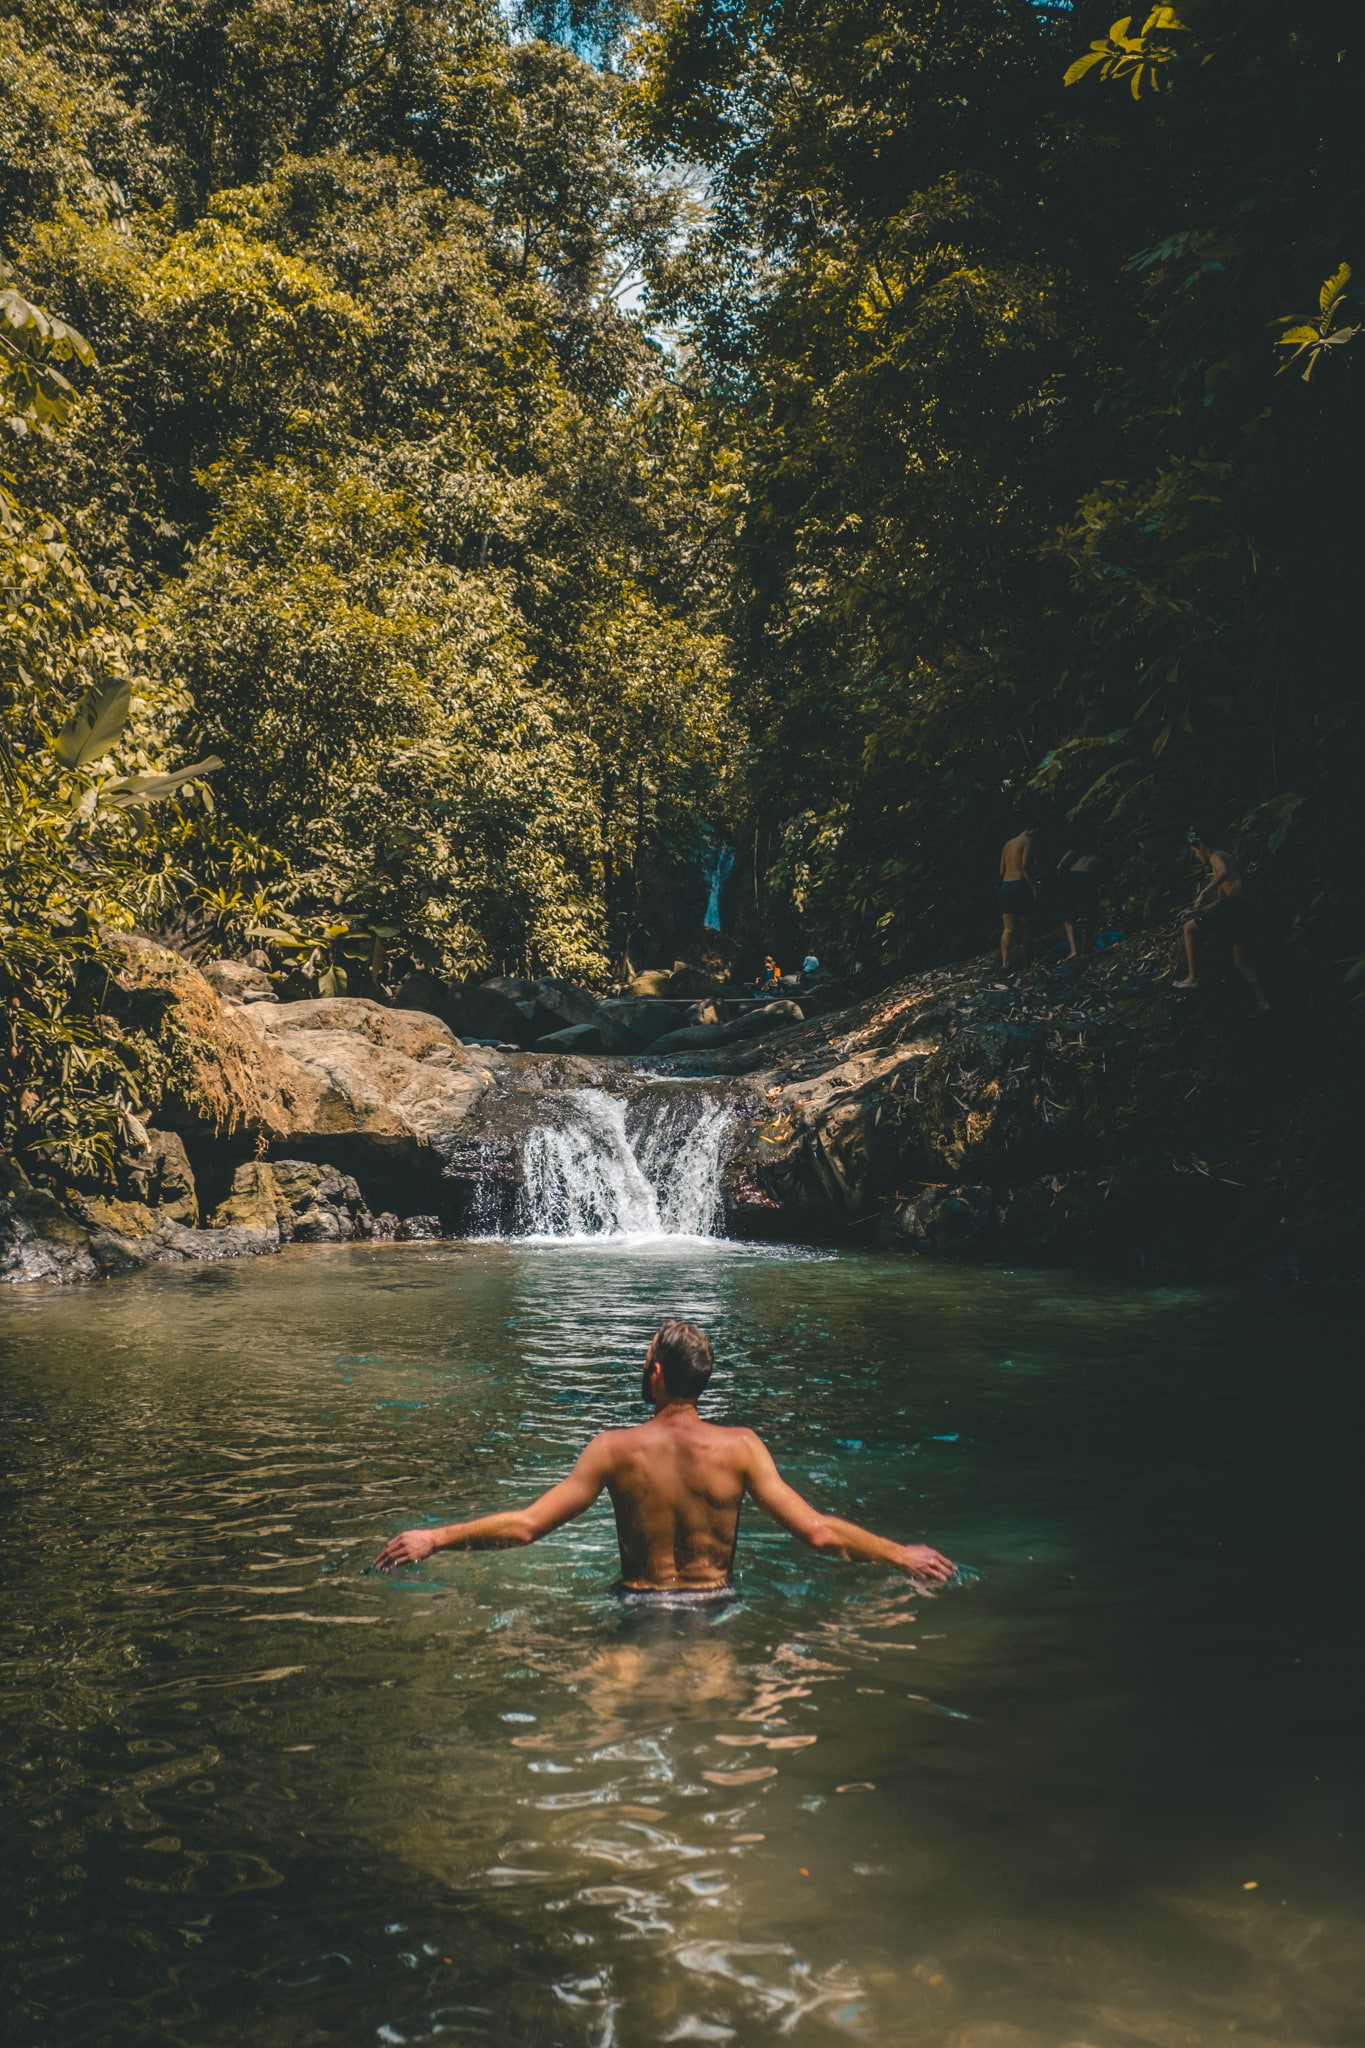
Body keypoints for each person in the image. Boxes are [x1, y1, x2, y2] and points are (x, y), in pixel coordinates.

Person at [374, 1320, 954, 1595]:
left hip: (638, 1608)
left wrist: (437, 1537)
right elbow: (820, 1534)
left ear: (655, 1372)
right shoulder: (743, 1447)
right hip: (716, 1609)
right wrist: (901, 1555)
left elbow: (527, 1528)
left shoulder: (612, 1449)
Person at [1174, 830, 1270, 1013]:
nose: (1196, 856)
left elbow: (1224, 873)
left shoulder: (1216, 856)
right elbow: (1221, 901)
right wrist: (1196, 911)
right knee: (1241, 963)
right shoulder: (1223, 859)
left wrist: (1203, 893)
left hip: (1236, 908)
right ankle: (1263, 1002)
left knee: (1188, 929)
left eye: (1195, 852)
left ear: (1201, 846)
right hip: (1242, 910)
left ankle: (1193, 978)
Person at [998, 824, 1037, 972]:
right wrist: (1033, 887)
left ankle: (1005, 963)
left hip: (1005, 887)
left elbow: (1001, 870)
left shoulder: (1007, 844)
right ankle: (1026, 962)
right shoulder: (1027, 841)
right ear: (1031, 829)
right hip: (1019, 885)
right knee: (1027, 925)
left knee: (1008, 928)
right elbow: (1024, 866)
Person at [1056, 845, 1101, 959]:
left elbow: (1071, 851)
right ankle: (1086, 946)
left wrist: (1060, 865)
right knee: (1092, 914)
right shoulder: (1098, 860)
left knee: (1069, 918)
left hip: (1071, 877)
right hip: (1085, 877)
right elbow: (1111, 888)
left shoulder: (1081, 857)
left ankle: (1073, 950)